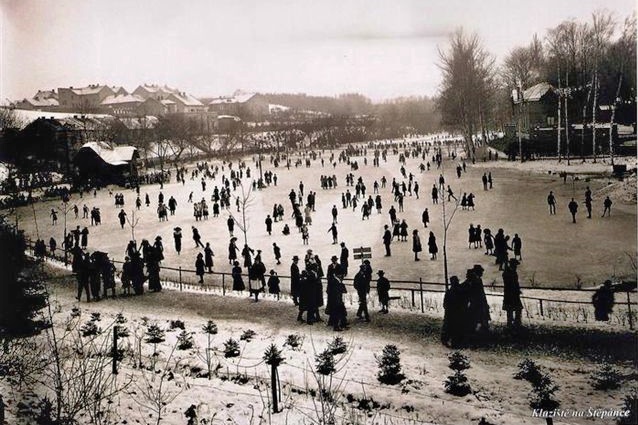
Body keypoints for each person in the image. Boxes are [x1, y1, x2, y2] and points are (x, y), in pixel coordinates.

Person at [441, 276, 468, 347]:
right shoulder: (460, 292)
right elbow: (463, 303)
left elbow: (445, 304)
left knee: (448, 327)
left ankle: (445, 340)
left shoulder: (449, 292)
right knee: (455, 327)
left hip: (450, 313)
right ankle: (454, 341)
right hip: (456, 313)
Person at [502, 259, 523, 329]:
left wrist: (518, 289)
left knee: (518, 309)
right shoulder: (507, 273)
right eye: (515, 265)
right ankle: (510, 324)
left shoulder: (513, 272)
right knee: (510, 310)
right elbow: (509, 284)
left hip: (515, 295)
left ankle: (517, 323)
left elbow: (516, 283)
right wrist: (516, 289)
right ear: (512, 265)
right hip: (509, 295)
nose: (516, 267)